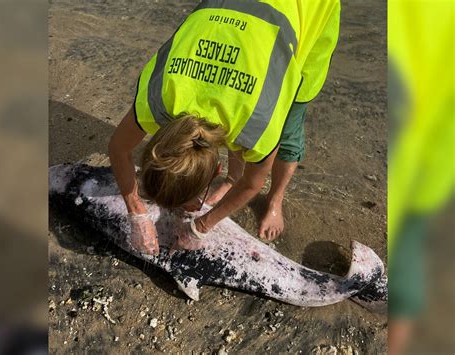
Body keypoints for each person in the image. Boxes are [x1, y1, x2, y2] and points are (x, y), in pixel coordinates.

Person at [109, 0, 340, 255]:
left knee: (289, 131)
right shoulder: (156, 98)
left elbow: (253, 183)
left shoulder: (259, 125)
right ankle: (231, 180)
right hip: (242, 27)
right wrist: (137, 213)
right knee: (237, 123)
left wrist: (202, 226)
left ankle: (275, 200)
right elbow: (118, 149)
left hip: (310, 8)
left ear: (215, 167)